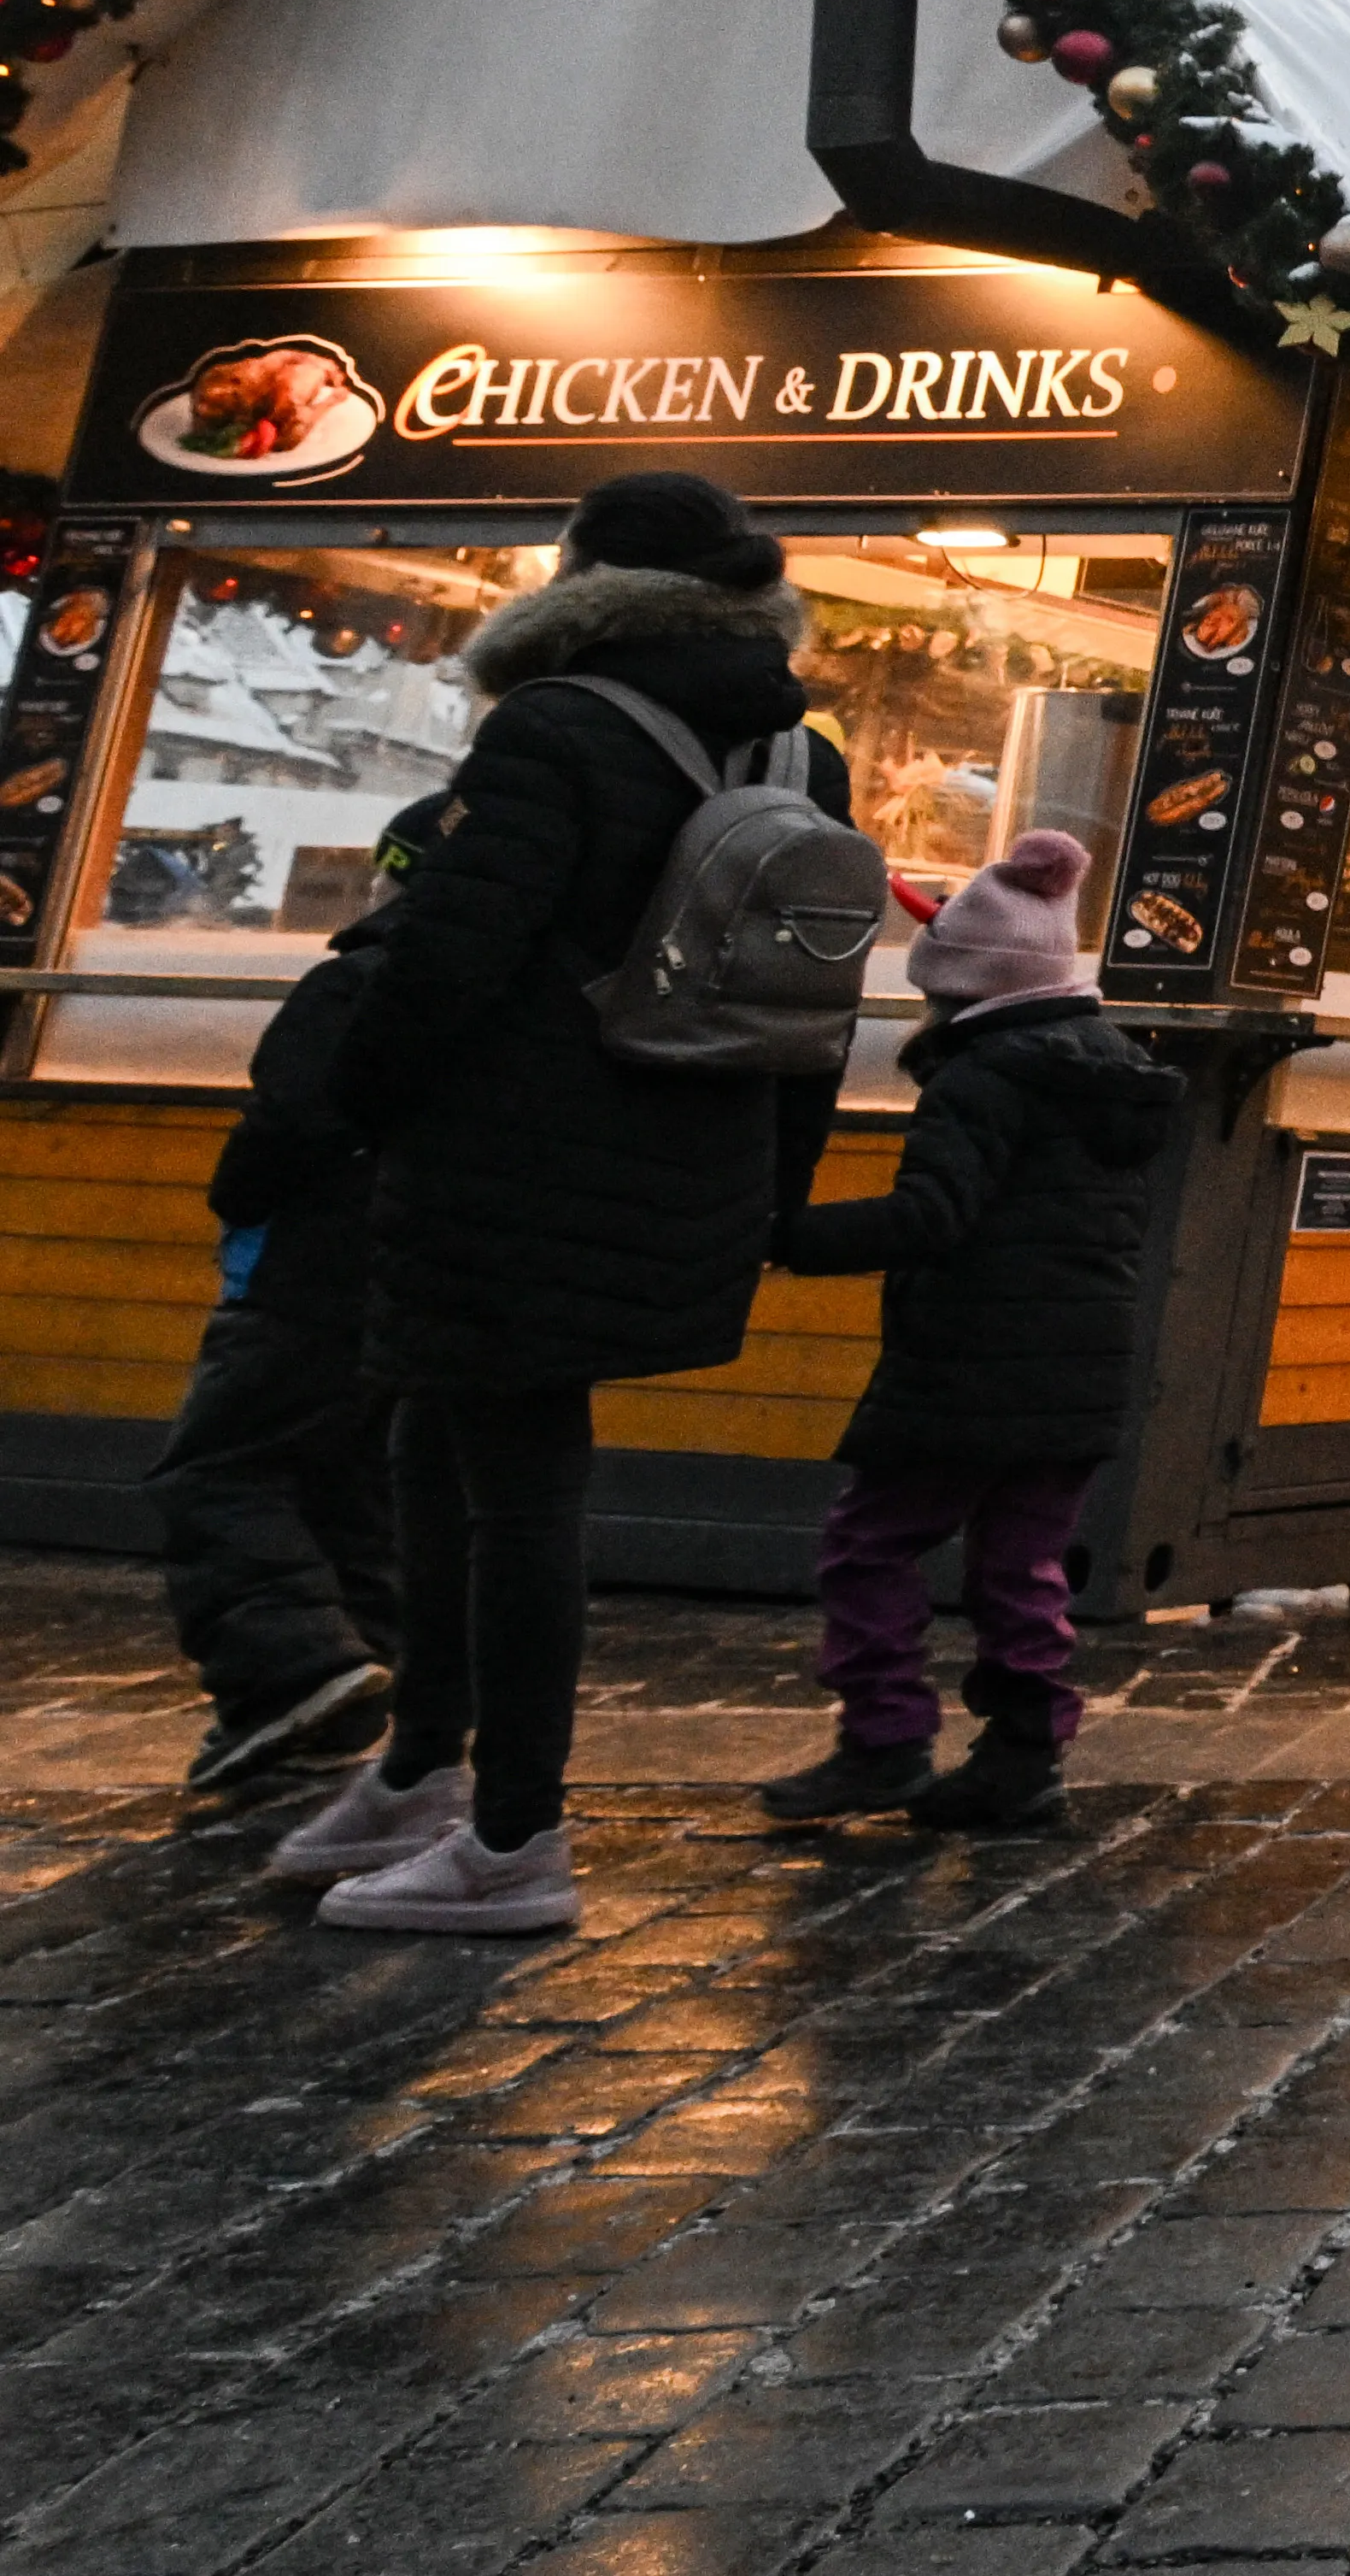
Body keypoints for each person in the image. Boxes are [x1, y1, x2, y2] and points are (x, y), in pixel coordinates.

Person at [264, 471, 855, 1938]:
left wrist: (354, 1105)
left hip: (512, 1159)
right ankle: (418, 1770)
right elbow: (814, 1000)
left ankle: (515, 1830)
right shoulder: (801, 749)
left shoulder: (555, 725)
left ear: (585, 570)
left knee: (513, 1483)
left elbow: (449, 952)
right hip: (693, 1152)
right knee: (431, 1430)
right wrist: (775, 1184)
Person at [754, 830, 1171, 1838]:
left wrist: (788, 1237)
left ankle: (886, 1735)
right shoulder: (1114, 1074)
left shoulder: (981, 1078)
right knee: (1019, 1565)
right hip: (1078, 1371)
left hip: (972, 1361)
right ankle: (1025, 1757)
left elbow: (933, 1216)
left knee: (869, 1544)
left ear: (962, 986)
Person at [147, 795, 434, 1799]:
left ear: (395, 870)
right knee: (350, 1481)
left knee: (220, 1467)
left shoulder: (359, 982)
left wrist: (238, 1199)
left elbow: (284, 1129)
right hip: (414, 1281)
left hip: (306, 1266)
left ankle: (293, 1669)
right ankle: (359, 1672)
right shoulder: (510, 992)